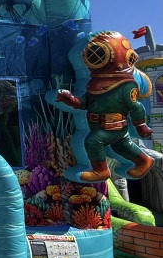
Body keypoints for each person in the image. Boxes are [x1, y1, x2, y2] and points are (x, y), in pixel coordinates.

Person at [56, 31, 153, 182]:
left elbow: (135, 107)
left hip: (113, 126)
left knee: (93, 141)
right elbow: (86, 102)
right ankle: (144, 161)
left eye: (100, 52)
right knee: (121, 146)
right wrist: (72, 100)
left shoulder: (125, 85)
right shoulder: (96, 83)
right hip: (99, 125)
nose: (93, 55)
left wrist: (141, 126)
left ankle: (100, 171)